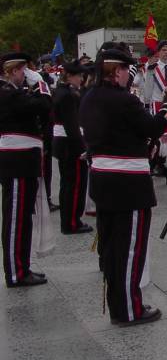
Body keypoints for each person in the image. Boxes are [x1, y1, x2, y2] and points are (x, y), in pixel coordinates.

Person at [79, 47, 167, 324]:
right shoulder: (123, 100)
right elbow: (151, 127)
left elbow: (115, 135)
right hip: (129, 184)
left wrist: (138, 146)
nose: (128, 76)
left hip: (103, 180)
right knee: (129, 249)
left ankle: (119, 305)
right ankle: (128, 309)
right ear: (117, 71)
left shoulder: (89, 98)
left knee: (112, 248)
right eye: (125, 70)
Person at [1, 52, 52, 288]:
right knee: (15, 219)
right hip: (16, 163)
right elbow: (43, 104)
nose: (25, 74)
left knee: (23, 218)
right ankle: (15, 272)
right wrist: (40, 81)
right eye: (22, 70)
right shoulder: (6, 93)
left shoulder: (14, 93)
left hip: (24, 162)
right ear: (11, 71)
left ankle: (22, 267)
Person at [53, 61, 92, 234]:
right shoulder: (68, 95)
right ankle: (72, 222)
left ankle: (68, 220)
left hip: (63, 143)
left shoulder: (60, 91)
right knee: (75, 185)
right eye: (78, 75)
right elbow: (72, 126)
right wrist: (82, 148)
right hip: (71, 145)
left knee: (67, 184)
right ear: (69, 76)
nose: (81, 79)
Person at [143, 40, 167, 186]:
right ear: (158, 52)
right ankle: (152, 167)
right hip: (157, 104)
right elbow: (147, 92)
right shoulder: (152, 67)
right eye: (164, 50)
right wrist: (149, 72)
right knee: (156, 139)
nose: (166, 52)